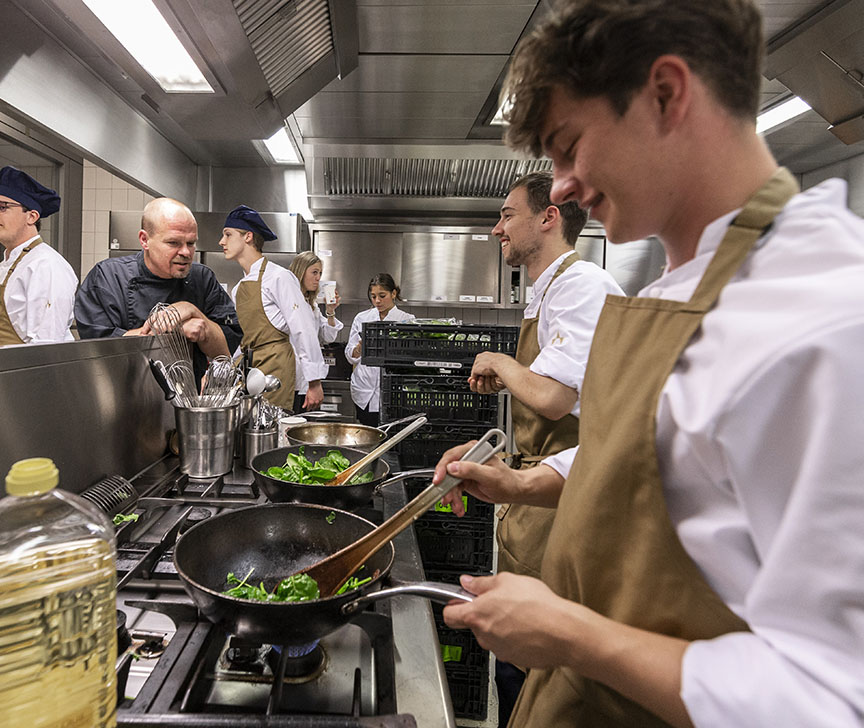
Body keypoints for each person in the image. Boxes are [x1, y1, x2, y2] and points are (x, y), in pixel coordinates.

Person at [434, 1, 864, 727]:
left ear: (667, 93)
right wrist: (525, 480)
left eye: (569, 146)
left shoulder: (820, 316)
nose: (562, 187)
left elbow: (829, 696)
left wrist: (575, 633)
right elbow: (655, 452)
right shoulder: (678, 286)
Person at [466, 171, 623, 720]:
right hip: (534, 489)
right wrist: (512, 378)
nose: (496, 229)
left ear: (549, 217)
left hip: (565, 498)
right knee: (518, 652)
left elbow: (556, 399)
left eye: (507, 215)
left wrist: (504, 364)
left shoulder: (583, 285)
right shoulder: (548, 290)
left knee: (536, 658)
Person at [74, 198, 241, 383]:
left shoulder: (202, 279)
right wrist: (175, 332)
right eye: (173, 243)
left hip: (187, 400)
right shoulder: (107, 278)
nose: (186, 252)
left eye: (191, 243)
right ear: (144, 240)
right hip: (124, 394)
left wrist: (197, 317)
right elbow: (99, 348)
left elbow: (226, 351)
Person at [0, 167, 77, 345]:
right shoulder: (1, 268)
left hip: (32, 371)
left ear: (31, 216)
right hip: (2, 368)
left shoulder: (45, 265)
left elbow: (47, 345)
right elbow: (15, 327)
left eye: (2, 207)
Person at [221, 205, 327, 411]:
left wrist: (314, 381)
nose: (221, 241)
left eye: (227, 234)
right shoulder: (240, 287)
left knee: (273, 429)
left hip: (277, 365)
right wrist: (225, 371)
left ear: (248, 237)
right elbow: (246, 338)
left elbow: (303, 327)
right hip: (251, 367)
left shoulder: (278, 277)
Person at [344, 274, 414, 426]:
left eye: (382, 296)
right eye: (373, 296)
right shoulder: (362, 318)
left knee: (391, 434)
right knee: (367, 433)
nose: (377, 301)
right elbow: (350, 355)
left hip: (393, 392)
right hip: (364, 391)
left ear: (393, 294)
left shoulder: (407, 320)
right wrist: (358, 349)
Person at [289, 251, 344, 413]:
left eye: (320, 273)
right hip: (292, 376)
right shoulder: (291, 303)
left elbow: (328, 336)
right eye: (314, 272)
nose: (318, 278)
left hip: (306, 380)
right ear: (300, 272)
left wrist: (330, 311)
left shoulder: (311, 305)